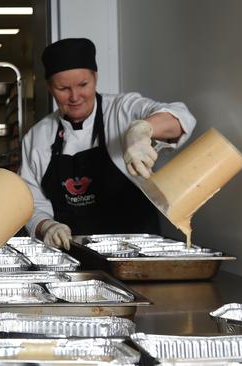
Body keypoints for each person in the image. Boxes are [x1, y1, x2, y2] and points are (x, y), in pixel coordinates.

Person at [20, 38, 196, 250]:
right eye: (63, 88)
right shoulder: (37, 138)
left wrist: (141, 130)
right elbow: (32, 204)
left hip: (137, 254)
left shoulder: (121, 109)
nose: (75, 96)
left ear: (95, 78)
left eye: (83, 85)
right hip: (75, 255)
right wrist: (47, 226)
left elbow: (181, 118)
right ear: (50, 88)